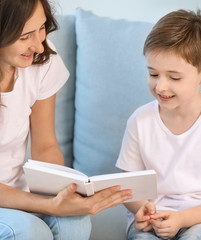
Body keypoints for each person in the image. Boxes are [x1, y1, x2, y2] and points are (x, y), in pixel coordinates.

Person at [0, 0, 133, 239]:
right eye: (25, 36)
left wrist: (66, 192)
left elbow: (46, 145)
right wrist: (48, 205)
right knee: (31, 231)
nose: (39, 46)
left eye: (41, 28)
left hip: (16, 190)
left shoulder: (39, 60)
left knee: (74, 223)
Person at [116, 9, 201, 240]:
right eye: (153, 74)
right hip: (153, 222)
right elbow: (130, 189)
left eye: (174, 77)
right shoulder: (139, 121)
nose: (161, 87)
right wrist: (141, 209)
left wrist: (182, 219)